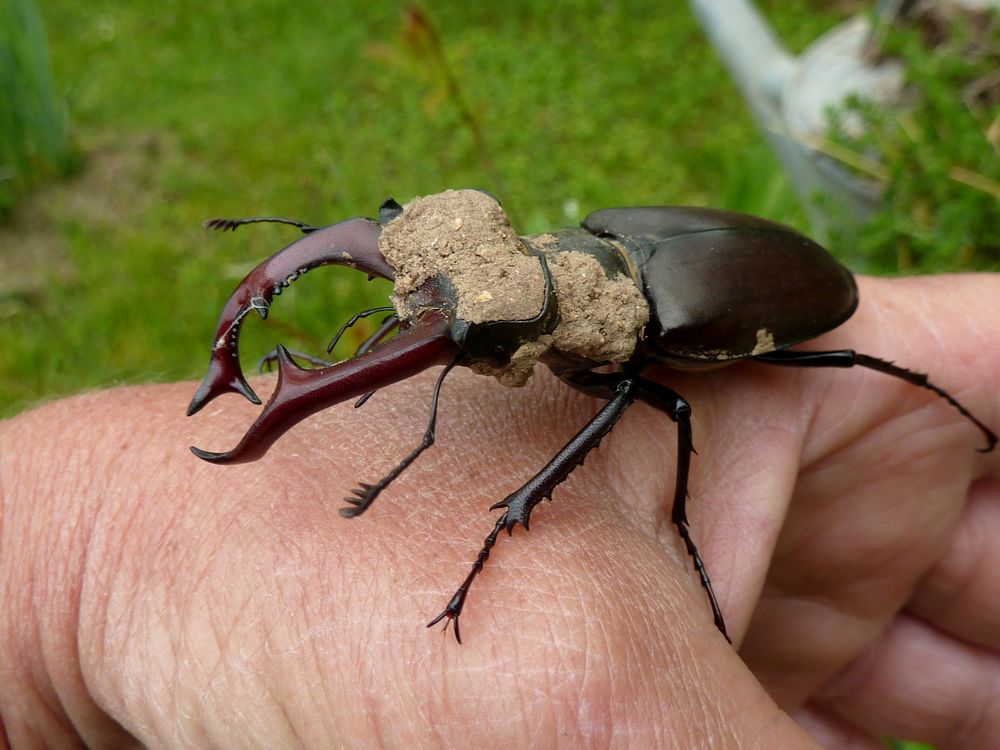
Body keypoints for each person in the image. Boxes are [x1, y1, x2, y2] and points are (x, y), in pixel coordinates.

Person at [1, 275, 998, 748]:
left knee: (661, 399)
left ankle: (518, 508)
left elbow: (676, 402)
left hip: (745, 292)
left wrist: (509, 516)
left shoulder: (641, 342)